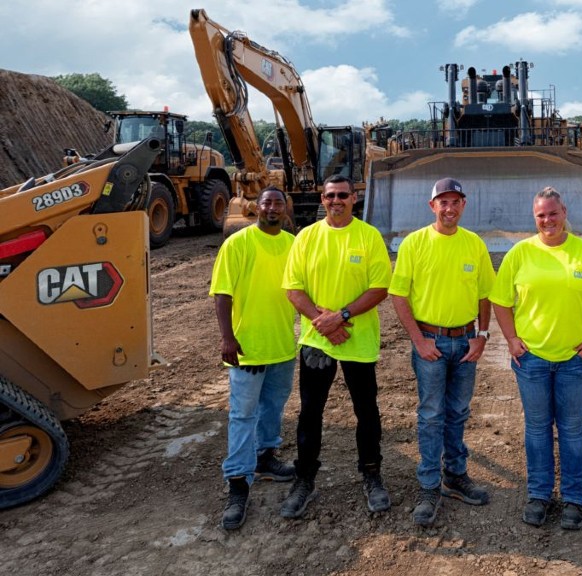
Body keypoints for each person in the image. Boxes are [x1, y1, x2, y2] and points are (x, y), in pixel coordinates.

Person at [491, 187, 582, 531]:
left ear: (564, 213)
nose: (548, 220)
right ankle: (539, 495)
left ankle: (575, 498)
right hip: (531, 361)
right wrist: (512, 340)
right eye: (541, 215)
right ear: (535, 218)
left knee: (573, 430)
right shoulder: (520, 254)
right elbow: (501, 301)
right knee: (536, 429)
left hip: (576, 361)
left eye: (553, 213)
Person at [279, 174, 394, 519]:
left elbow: (379, 289)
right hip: (318, 342)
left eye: (343, 195)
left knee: (366, 411)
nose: (336, 200)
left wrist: (341, 316)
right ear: (322, 197)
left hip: (357, 341)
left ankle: (372, 473)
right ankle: (304, 479)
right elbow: (293, 288)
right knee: (310, 413)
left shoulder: (369, 236)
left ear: (354, 198)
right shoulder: (307, 237)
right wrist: (323, 322)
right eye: (330, 195)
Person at [389, 177, 496, 527]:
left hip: (465, 342)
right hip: (430, 343)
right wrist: (419, 341)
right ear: (432, 205)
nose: (449, 208)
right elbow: (399, 295)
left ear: (464, 205)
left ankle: (456, 475)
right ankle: (429, 486)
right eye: (443, 202)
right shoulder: (414, 244)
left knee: (458, 412)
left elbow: (485, 295)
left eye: (455, 202)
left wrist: (481, 337)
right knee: (431, 414)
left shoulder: (474, 244)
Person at [209, 187, 297, 531]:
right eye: (267, 202)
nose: (272, 208)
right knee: (243, 415)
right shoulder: (238, 243)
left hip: (282, 348)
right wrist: (228, 338)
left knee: (273, 408)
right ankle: (237, 484)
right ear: (256, 208)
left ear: (285, 209)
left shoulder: (292, 244)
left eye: (278, 202)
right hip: (246, 348)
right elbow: (222, 294)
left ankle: (265, 458)